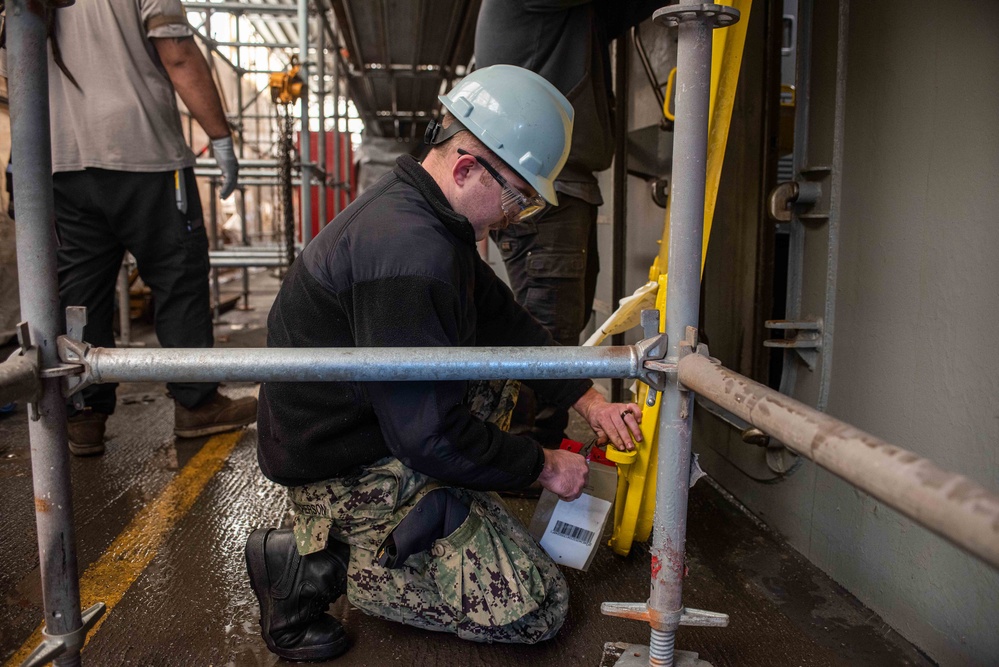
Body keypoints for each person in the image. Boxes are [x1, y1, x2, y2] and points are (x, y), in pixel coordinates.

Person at [246, 65, 645, 661]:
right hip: (342, 466)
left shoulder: (429, 215)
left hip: (373, 424)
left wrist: (586, 399)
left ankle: (440, 506)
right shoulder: (410, 254)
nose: (516, 216)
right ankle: (316, 564)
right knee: (538, 611)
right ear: (466, 169)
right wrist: (542, 466)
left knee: (501, 378)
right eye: (518, 198)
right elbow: (425, 436)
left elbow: (505, 323)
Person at [1, 0, 257, 456]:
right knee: (178, 278)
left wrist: (17, 164)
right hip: (146, 153)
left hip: (60, 163)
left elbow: (15, 74)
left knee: (79, 293)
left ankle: (84, 414)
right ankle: (196, 404)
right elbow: (178, 57)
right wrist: (220, 137)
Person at [474, 0, 665, 447]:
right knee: (550, 336)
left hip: (554, 190)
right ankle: (533, 458)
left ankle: (531, 450)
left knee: (556, 328)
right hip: (544, 192)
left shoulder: (566, 16)